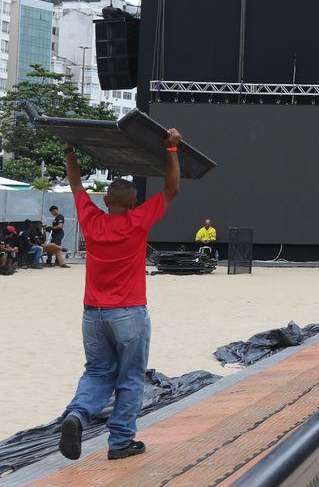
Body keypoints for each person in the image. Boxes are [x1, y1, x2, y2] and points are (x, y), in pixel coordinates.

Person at [58, 128, 182, 462]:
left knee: (97, 372)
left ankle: (77, 415)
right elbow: (172, 189)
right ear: (134, 203)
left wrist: (71, 149)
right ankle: (121, 442)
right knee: (129, 378)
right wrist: (171, 149)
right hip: (129, 312)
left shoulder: (91, 220)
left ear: (107, 201)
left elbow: (76, 185)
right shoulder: (138, 221)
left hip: (92, 314)